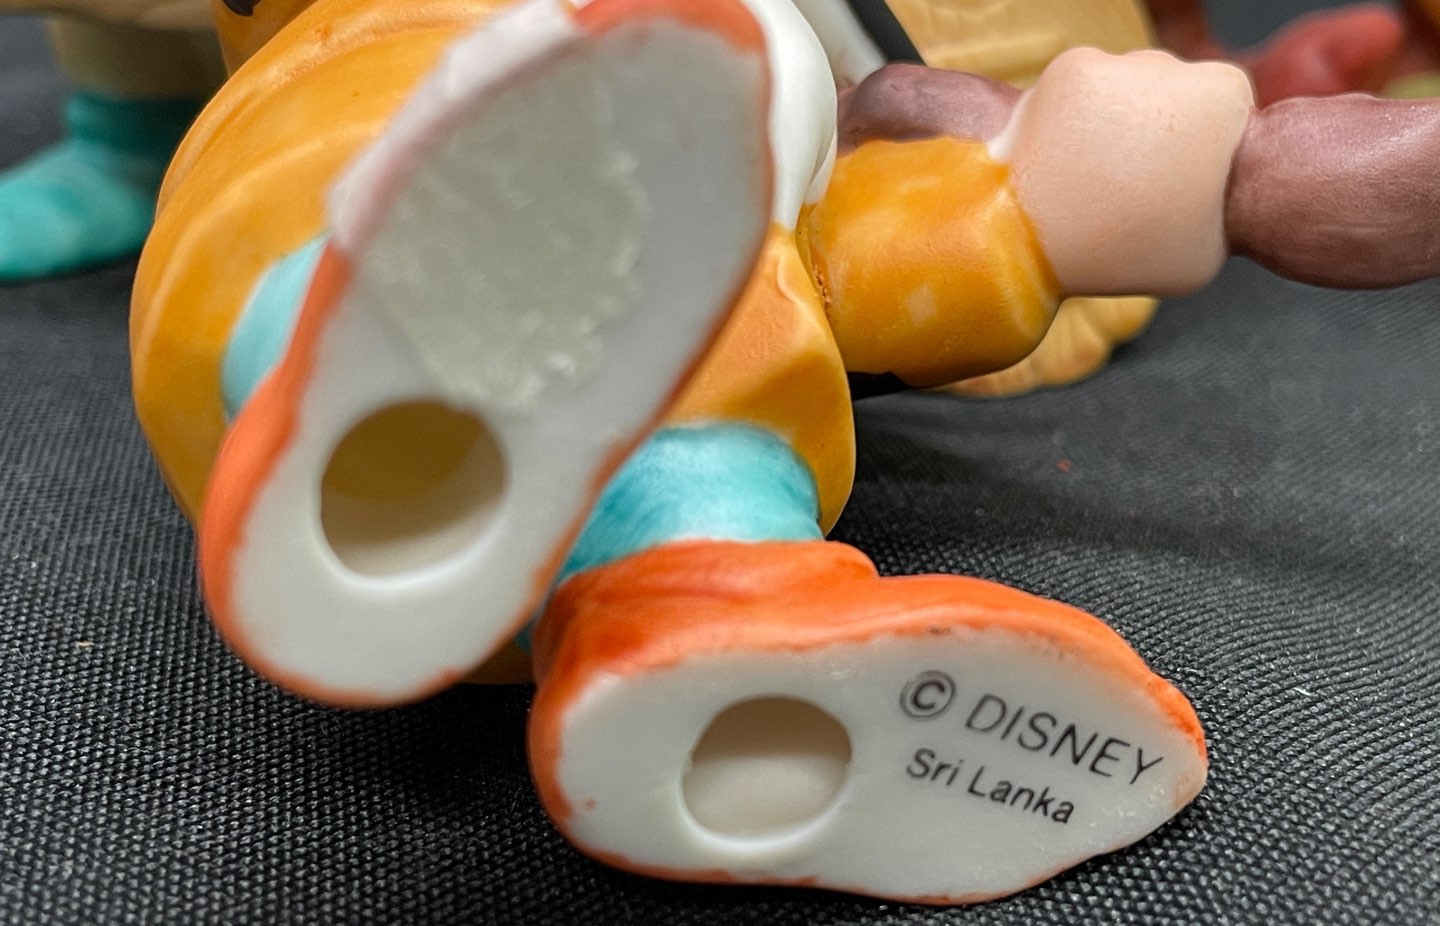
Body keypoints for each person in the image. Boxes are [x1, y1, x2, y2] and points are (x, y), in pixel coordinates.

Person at [129, 0, 1440, 903]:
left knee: (725, 317)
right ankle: (450, 414)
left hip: (709, 221)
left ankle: (692, 627)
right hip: (473, 142)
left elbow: (928, 192)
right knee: (417, 191)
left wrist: (1204, 167)